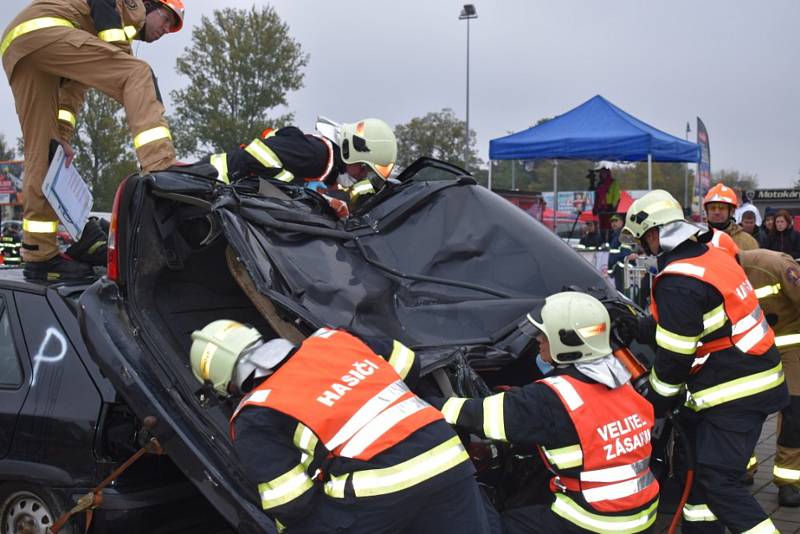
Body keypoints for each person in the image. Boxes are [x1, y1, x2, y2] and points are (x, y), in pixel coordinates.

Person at [189, 322, 492, 534]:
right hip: (447, 458)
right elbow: (407, 363)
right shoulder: (333, 339)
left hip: (380, 488)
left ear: (225, 385)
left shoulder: (255, 414)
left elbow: (291, 503)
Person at [617, 189, 788, 533]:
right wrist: (638, 326)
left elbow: (674, 359)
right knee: (694, 474)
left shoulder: (678, 281)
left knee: (718, 480)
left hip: (735, 391)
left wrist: (655, 401)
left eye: (641, 241)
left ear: (653, 234)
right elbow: (701, 316)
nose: (642, 250)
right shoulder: (714, 251)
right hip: (749, 376)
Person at [428, 291, 659, 533]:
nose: (538, 338)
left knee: (496, 523)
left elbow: (481, 415)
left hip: (596, 522)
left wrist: (428, 404)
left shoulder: (553, 397)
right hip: (640, 513)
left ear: (567, 341)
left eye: (545, 333)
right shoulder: (621, 380)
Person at [2, 0, 184, 280]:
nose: (167, 30)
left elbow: (72, 90)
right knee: (138, 73)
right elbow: (124, 66)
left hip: (19, 43)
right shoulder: (130, 8)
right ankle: (160, 166)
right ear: (151, 5)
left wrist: (60, 136)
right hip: (48, 31)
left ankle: (40, 256)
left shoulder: (86, 36)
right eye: (168, 19)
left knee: (46, 153)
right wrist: (122, 56)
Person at [205, 117, 397, 216]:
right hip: (211, 180)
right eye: (364, 169)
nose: (361, 177)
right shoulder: (317, 155)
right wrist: (301, 193)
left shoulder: (327, 167)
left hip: (219, 189)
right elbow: (256, 154)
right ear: (353, 151)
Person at [740, 249, 800, 506]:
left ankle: (788, 482)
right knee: (741, 410)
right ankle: (742, 470)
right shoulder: (717, 274)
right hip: (750, 347)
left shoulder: (772, 265)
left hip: (789, 346)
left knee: (794, 413)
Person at [703, 183, 759, 251]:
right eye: (712, 208)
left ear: (732, 211)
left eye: (722, 208)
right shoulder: (696, 240)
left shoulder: (748, 242)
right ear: (706, 210)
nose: (716, 212)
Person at [607, 213, 637, 292]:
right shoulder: (615, 235)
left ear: (622, 222)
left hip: (623, 269)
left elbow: (626, 253)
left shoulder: (625, 234)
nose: (613, 223)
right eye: (612, 222)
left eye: (616, 221)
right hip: (618, 270)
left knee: (623, 293)